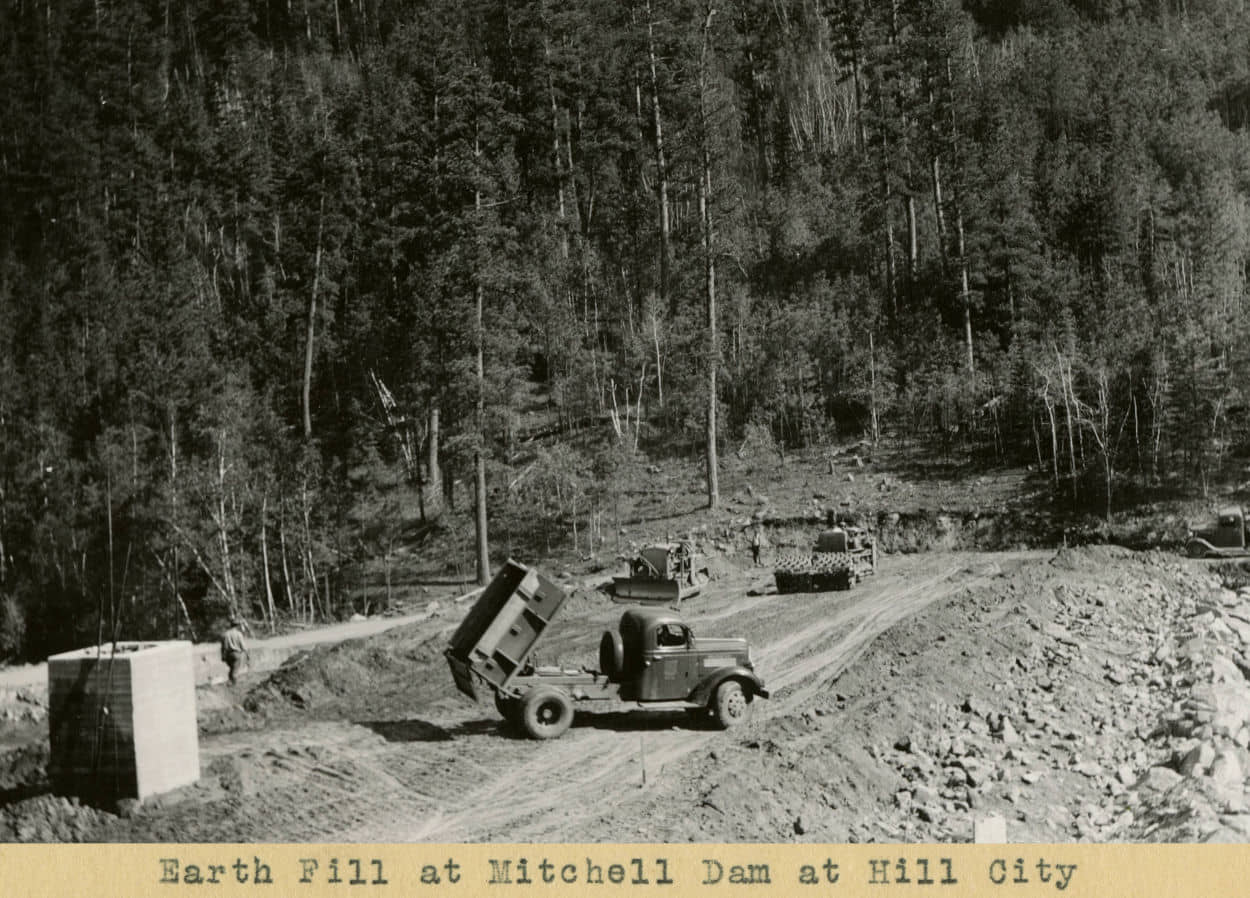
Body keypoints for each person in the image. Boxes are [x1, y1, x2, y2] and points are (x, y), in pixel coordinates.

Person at [220, 616, 248, 685]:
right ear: (237, 626)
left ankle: (230, 683)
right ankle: (234, 685)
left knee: (232, 669)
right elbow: (243, 646)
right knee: (235, 671)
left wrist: (223, 656)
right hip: (236, 654)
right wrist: (247, 655)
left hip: (228, 655)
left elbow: (223, 647)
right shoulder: (238, 634)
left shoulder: (225, 634)